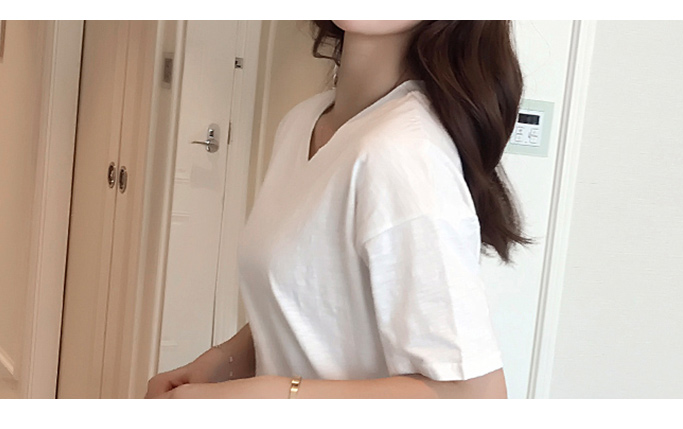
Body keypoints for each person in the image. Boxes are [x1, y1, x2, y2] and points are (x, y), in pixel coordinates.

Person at [145, 20, 532, 399]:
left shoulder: (406, 152)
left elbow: (476, 397)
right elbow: (314, 298)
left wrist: (273, 396)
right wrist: (223, 362)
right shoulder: (302, 122)